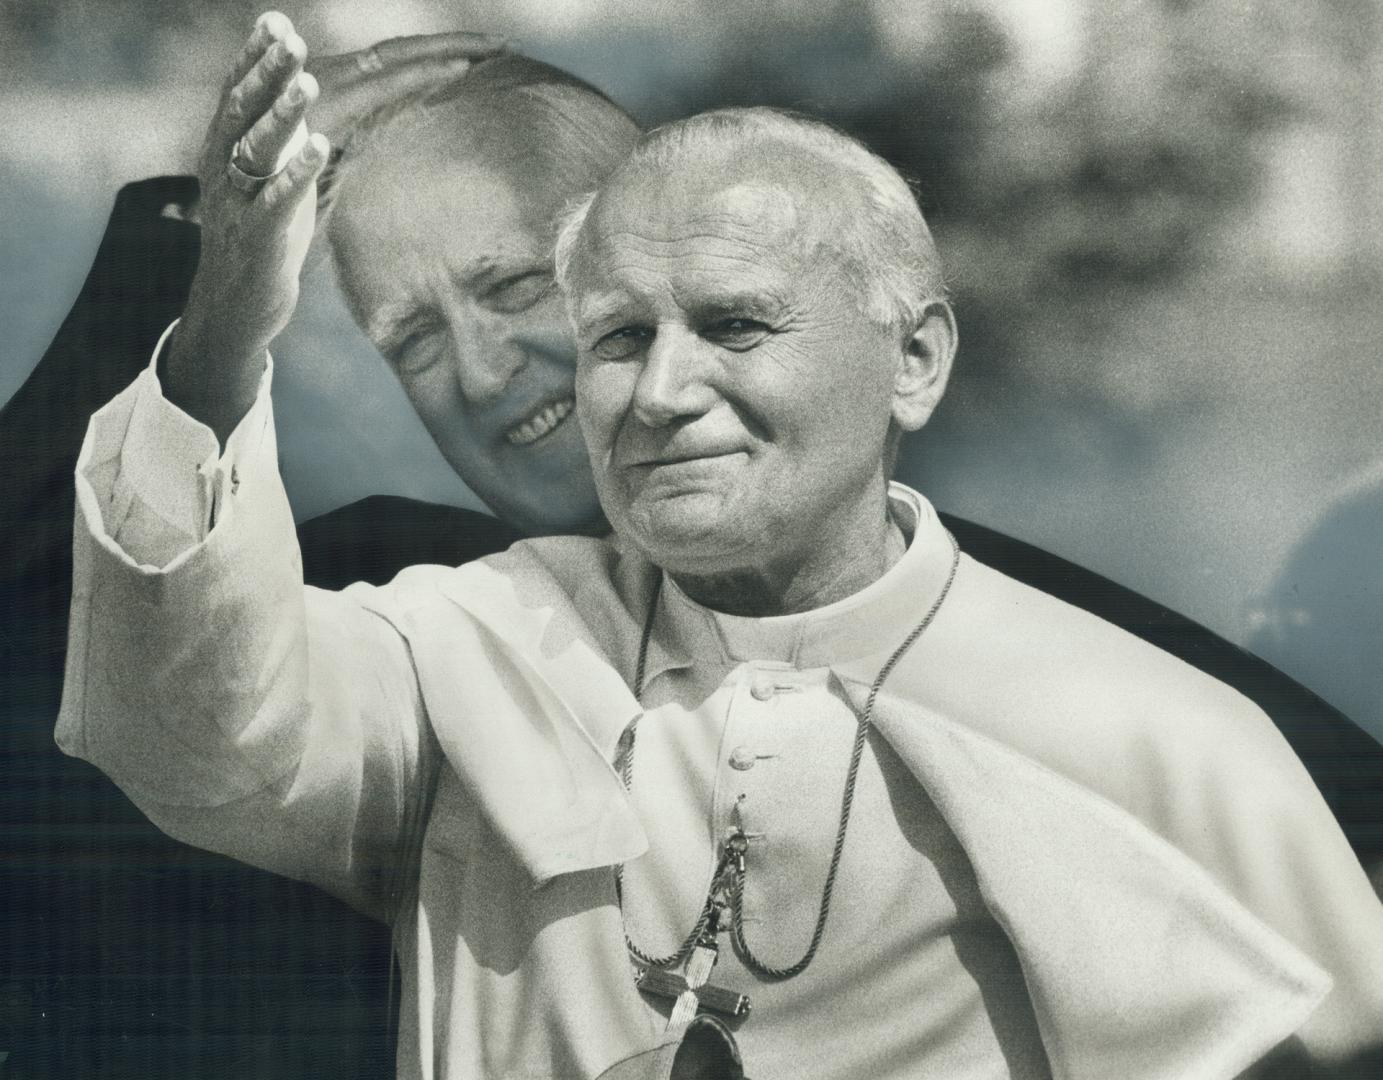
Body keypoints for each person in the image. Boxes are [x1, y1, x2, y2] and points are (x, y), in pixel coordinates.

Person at [54, 15, 1383, 1078]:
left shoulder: (1174, 736)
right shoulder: (460, 640)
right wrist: (222, 317)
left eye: (733, 326)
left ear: (913, 358)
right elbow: (180, 711)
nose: (659, 391)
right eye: (621, 339)